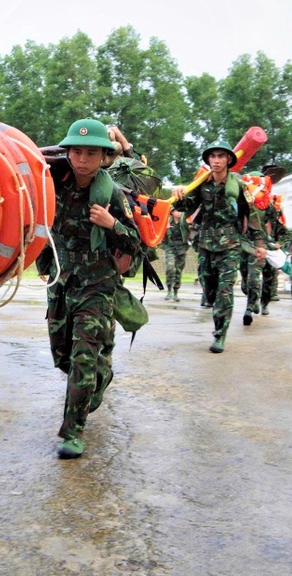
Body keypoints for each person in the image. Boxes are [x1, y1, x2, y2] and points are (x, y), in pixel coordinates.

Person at [42, 118, 141, 459]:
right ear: (67, 152)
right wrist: (43, 264)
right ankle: (102, 373)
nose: (83, 159)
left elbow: (136, 245)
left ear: (104, 157)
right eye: (77, 151)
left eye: (91, 153)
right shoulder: (52, 182)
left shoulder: (110, 192)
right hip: (61, 283)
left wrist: (112, 224)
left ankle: (73, 431)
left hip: (97, 286)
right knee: (63, 359)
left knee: (83, 357)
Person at [172, 142, 267, 353]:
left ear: (228, 160)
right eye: (212, 156)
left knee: (225, 291)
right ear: (208, 160)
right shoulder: (201, 185)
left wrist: (259, 244)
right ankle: (217, 309)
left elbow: (251, 216)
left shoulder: (239, 187)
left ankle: (219, 335)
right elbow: (186, 207)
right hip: (205, 244)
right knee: (210, 288)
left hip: (230, 245)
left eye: (221, 156)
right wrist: (179, 193)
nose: (216, 160)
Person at [162, 210, 191, 301]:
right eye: (176, 210)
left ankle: (175, 292)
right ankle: (169, 290)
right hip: (170, 248)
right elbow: (162, 236)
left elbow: (190, 235)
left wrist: (187, 246)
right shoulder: (167, 222)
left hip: (181, 249)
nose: (179, 212)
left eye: (180, 211)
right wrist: (165, 247)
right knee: (170, 268)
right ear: (172, 212)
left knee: (178, 271)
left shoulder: (185, 223)